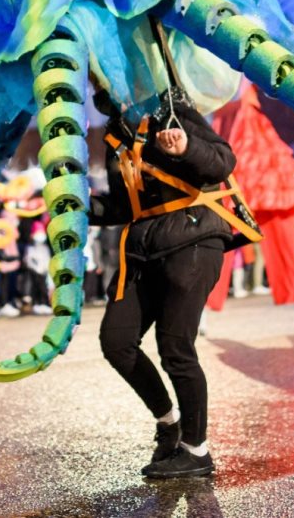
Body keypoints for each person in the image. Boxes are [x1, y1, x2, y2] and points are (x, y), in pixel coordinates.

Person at [92, 91, 237, 479]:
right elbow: (124, 207)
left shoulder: (172, 112)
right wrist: (79, 207)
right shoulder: (115, 136)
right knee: (117, 342)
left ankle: (197, 450)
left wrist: (185, 146)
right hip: (143, 252)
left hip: (193, 241)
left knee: (175, 349)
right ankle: (168, 422)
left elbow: (222, 161)